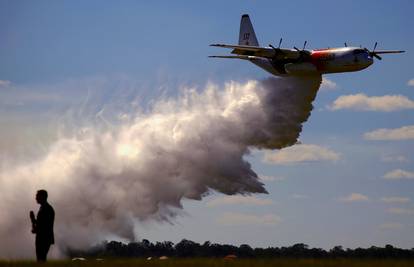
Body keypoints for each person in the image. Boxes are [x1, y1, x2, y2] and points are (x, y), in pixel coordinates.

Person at [30, 189, 55, 262]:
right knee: (41, 259)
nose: (36, 198)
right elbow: (40, 224)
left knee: (41, 259)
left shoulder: (46, 209)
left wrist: (33, 222)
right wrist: (33, 220)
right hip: (43, 237)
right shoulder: (45, 208)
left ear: (43, 197)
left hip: (44, 238)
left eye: (37, 196)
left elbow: (43, 226)